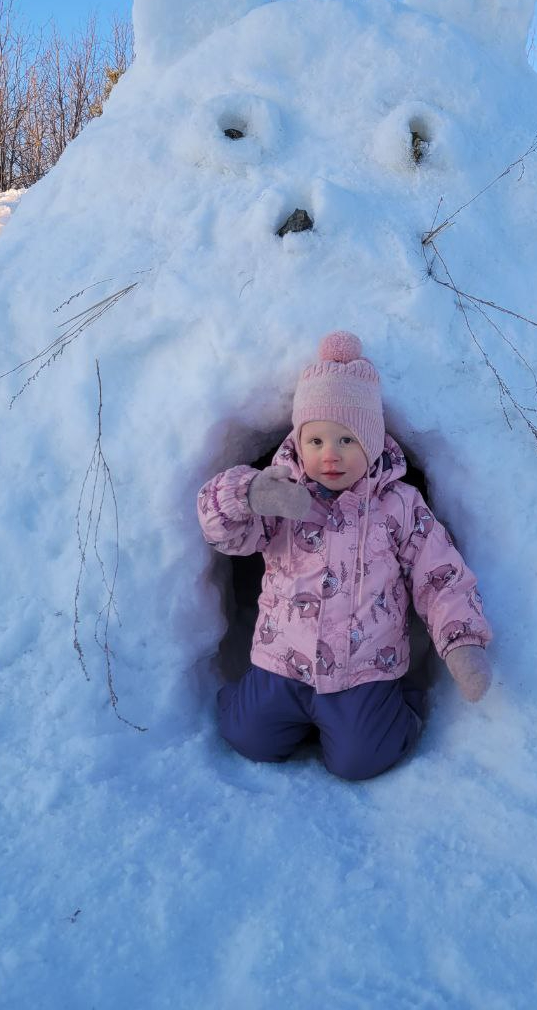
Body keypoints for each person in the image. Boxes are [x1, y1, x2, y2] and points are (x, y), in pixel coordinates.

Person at [197, 331, 493, 780]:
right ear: (298, 442)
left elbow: (440, 575)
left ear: (372, 442)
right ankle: (258, 703)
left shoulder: (398, 506)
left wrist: (461, 642)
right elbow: (224, 534)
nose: (329, 456)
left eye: (347, 440)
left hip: (364, 671)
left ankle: (399, 707)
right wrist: (249, 493)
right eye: (315, 442)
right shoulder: (283, 496)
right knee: (246, 736)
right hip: (283, 662)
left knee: (361, 761)